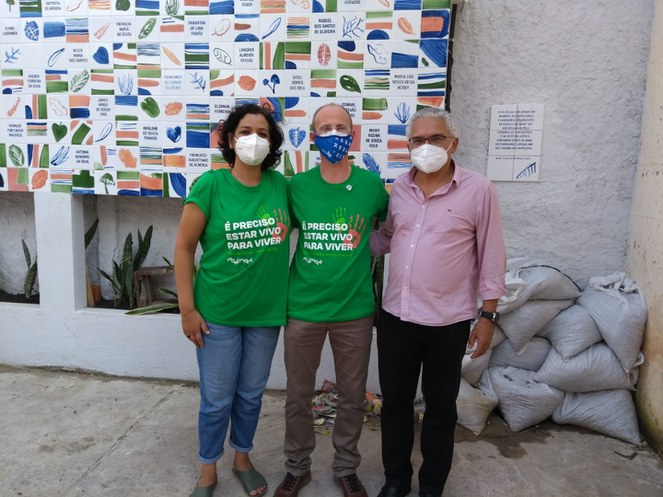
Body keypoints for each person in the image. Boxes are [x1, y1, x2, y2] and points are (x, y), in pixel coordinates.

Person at [370, 107, 506, 497]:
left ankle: (432, 486)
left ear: (453, 143)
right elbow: (388, 238)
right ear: (407, 146)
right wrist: (356, 234)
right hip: (397, 316)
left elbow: (492, 255)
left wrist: (488, 315)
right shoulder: (400, 189)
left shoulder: (479, 190)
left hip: (449, 320)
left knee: (441, 409)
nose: (426, 146)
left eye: (436, 138)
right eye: (417, 140)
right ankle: (396, 481)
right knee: (394, 404)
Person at [273, 103, 389, 497]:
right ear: (312, 136)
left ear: (353, 135)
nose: (334, 134)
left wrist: (365, 248)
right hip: (303, 308)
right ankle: (297, 467)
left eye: (341, 127)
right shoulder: (296, 187)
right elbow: (276, 236)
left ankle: (346, 468)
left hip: (354, 311)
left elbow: (391, 231)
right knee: (298, 396)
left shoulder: (372, 185)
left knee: (352, 397)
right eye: (326, 127)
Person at [174, 103, 290, 497]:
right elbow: (184, 249)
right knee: (216, 399)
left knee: (250, 395)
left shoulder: (280, 187)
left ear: (272, 142)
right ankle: (208, 468)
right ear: (229, 138)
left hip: (264, 315)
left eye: (262, 132)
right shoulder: (211, 185)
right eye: (245, 131)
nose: (254, 139)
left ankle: (242, 457)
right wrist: (187, 309)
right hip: (216, 314)